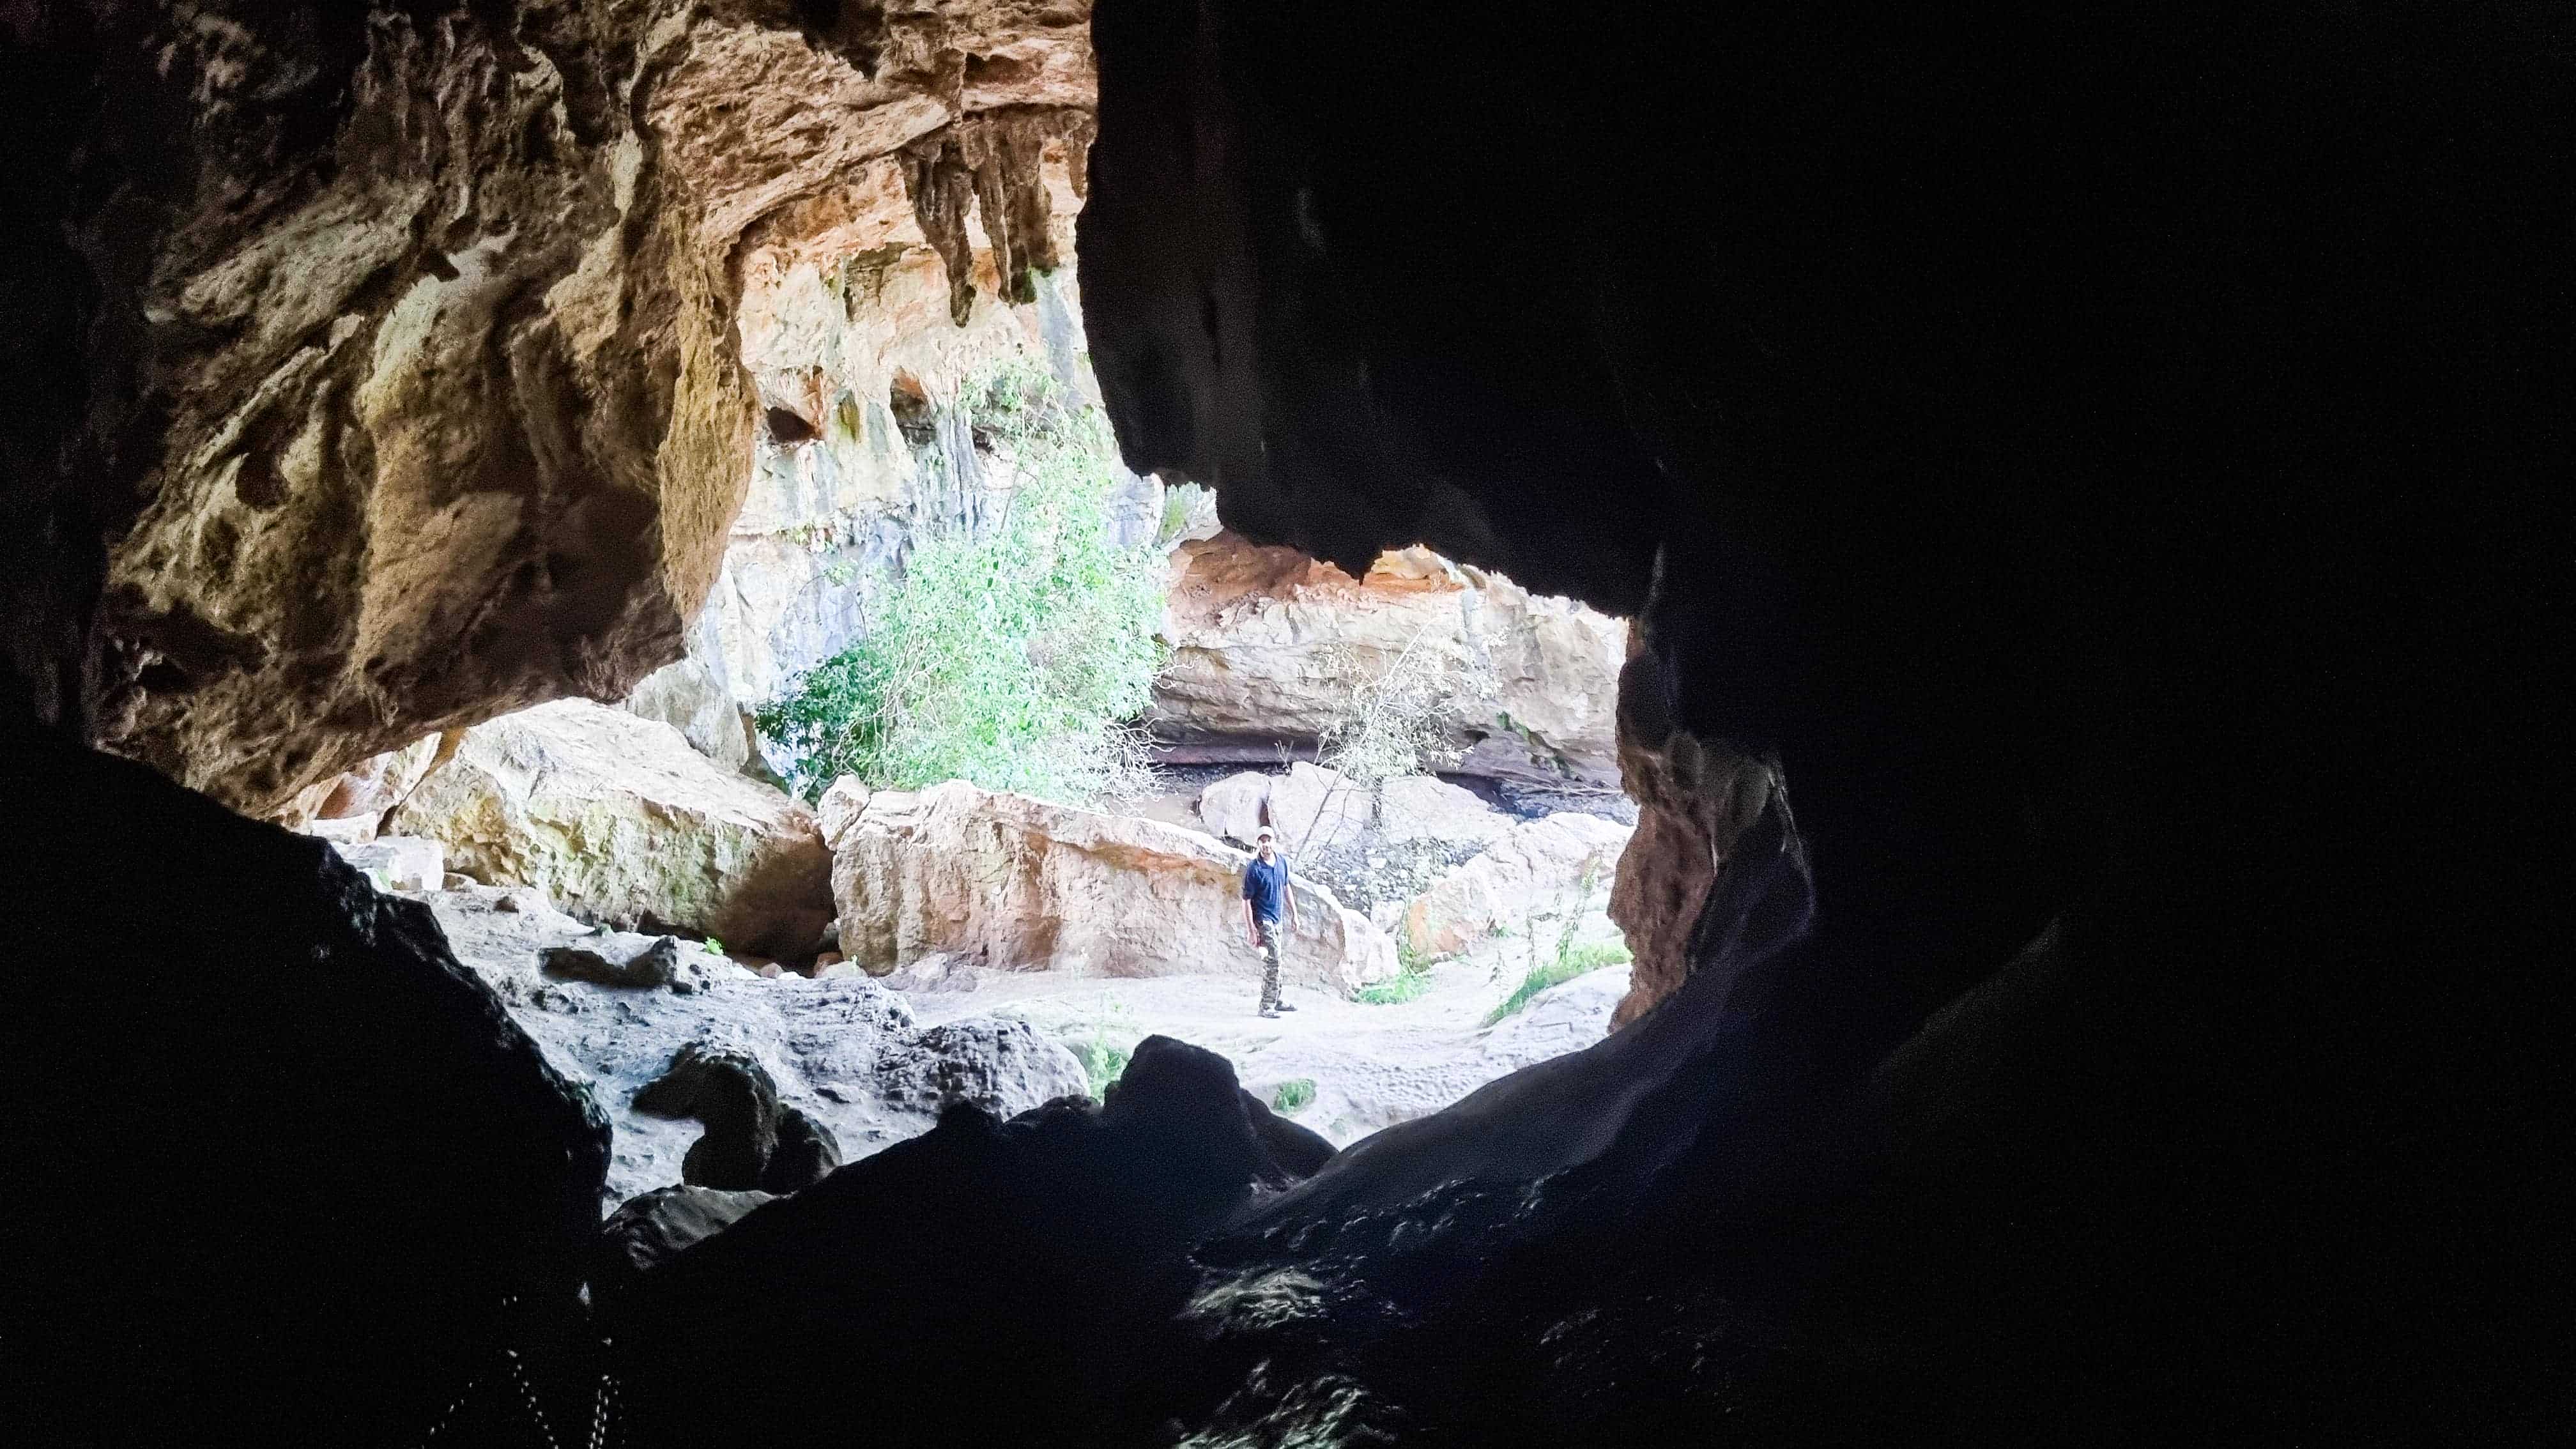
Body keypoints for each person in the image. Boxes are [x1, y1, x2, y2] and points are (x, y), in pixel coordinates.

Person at [1240, 825, 1301, 1017]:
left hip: (1277, 920)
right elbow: (1246, 902)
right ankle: (1266, 1006)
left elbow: (1286, 887)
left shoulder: (1281, 862)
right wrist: (1252, 930)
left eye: (1269, 840)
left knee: (1278, 960)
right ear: (1258, 844)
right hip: (1263, 922)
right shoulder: (1254, 869)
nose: (1266, 844)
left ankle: (1276, 999)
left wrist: (1295, 914)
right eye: (1262, 841)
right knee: (1272, 961)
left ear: (1274, 841)